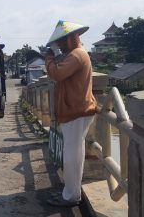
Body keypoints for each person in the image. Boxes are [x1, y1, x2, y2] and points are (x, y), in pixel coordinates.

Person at [45, 20, 98, 207]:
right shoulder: (76, 54)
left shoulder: (76, 55)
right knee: (73, 154)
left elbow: (57, 74)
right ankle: (70, 193)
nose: (59, 45)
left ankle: (71, 196)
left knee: (71, 156)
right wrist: (56, 56)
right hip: (76, 110)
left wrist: (50, 58)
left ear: (70, 38)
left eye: (61, 41)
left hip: (77, 111)